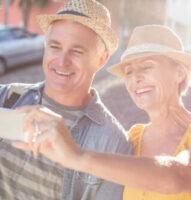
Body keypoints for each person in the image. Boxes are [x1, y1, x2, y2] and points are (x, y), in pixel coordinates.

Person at [14, 25, 191, 199]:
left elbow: (180, 176)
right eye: (129, 71)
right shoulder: (131, 140)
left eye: (147, 66)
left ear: (179, 73)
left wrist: (76, 156)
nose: (136, 78)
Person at [0, 0, 133, 199]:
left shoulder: (114, 144)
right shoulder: (6, 97)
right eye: (55, 46)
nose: (62, 61)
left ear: (101, 59)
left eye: (77, 51)